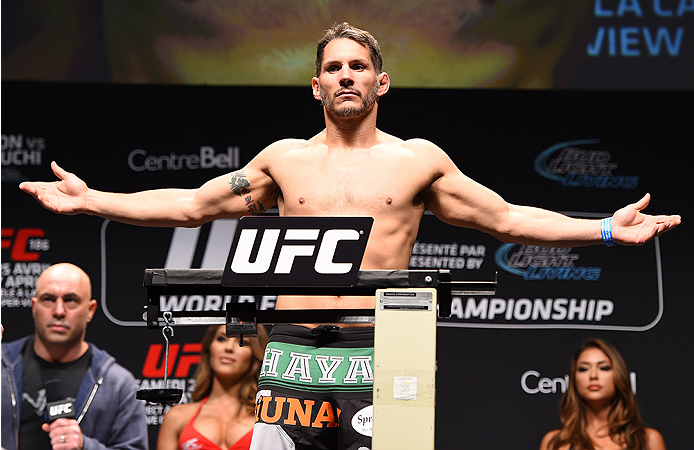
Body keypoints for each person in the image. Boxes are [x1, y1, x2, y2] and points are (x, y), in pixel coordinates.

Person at [18, 22, 681, 450]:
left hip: (393, 339)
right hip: (296, 343)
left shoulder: (418, 159)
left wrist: (601, 228)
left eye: (357, 67)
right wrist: (90, 199)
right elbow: (191, 206)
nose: (345, 76)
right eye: (333, 67)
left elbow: (506, 218)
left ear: (380, 83)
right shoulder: (284, 160)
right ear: (315, 86)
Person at [1, 263, 148, 450]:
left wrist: (85, 446)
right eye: (48, 299)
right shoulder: (2, 364)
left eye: (71, 300)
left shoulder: (118, 385)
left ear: (90, 310)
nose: (59, 311)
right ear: (34, 306)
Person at [539, 338, 666, 450]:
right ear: (574, 379)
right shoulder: (555, 443)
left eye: (604, 368)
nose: (593, 375)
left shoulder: (648, 440)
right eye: (584, 369)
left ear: (619, 376)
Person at [156, 324, 268, 450]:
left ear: (255, 354)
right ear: (209, 349)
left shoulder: (268, 419)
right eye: (222, 339)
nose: (229, 348)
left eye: (242, 342)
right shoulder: (177, 416)